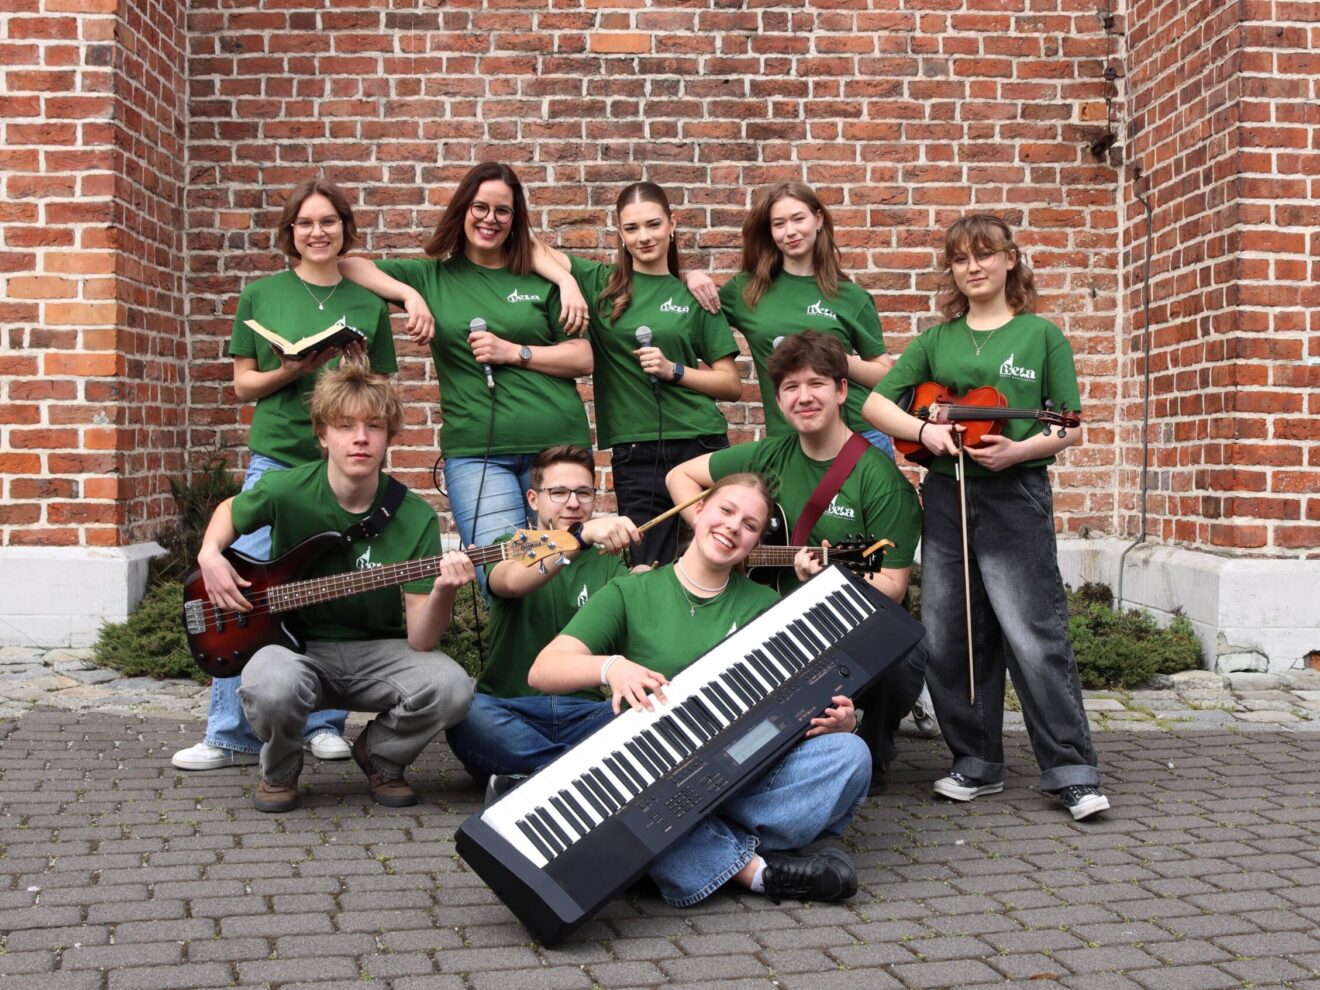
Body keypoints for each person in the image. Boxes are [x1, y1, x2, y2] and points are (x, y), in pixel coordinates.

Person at [862, 213, 1109, 821]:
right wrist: (924, 431)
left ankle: (1071, 770)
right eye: (960, 258)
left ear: (1009, 259)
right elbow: (874, 403)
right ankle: (975, 761)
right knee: (951, 635)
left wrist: (1017, 451)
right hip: (947, 495)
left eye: (984, 254)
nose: (973, 267)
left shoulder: (1041, 335)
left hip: (1015, 493)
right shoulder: (936, 340)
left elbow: (1067, 427)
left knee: (1033, 633)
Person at [528, 474, 870, 908]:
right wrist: (612, 667)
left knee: (849, 754)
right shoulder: (630, 591)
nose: (733, 527)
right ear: (699, 511)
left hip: (742, 765)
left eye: (749, 525)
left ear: (756, 542)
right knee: (633, 793)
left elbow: (799, 705)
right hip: (656, 769)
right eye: (726, 511)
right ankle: (757, 873)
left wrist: (842, 721)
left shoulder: (766, 606)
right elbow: (544, 670)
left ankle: (672, 845)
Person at [173, 177, 406, 773]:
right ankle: (229, 732)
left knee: (330, 586)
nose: (317, 232)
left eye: (328, 221)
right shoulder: (262, 294)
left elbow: (379, 393)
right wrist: (292, 370)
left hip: (342, 469)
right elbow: (243, 385)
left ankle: (324, 725)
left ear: (344, 229)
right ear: (291, 232)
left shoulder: (368, 302)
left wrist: (352, 376)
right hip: (277, 456)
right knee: (244, 588)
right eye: (306, 223)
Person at [194, 363, 476, 813]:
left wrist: (445, 589)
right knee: (270, 682)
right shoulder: (289, 490)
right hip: (295, 648)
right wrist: (210, 554)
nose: (360, 438)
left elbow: (422, 640)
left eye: (374, 426)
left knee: (452, 686)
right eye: (345, 426)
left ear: (389, 437)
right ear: (323, 435)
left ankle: (381, 756)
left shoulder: (415, 517)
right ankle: (280, 768)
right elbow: (231, 509)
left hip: (377, 652)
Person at [666, 332, 924, 796]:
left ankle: (872, 739)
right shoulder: (768, 455)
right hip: (766, 615)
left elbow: (892, 585)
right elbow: (679, 475)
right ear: (780, 399)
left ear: (841, 390)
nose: (804, 397)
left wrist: (829, 579)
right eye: (790, 387)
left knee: (904, 658)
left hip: (846, 625)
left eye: (816, 383)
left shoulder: (879, 480)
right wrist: (719, 538)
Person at [339, 162, 592, 570]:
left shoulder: (540, 278)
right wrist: (409, 295)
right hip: (479, 455)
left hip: (556, 446)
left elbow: (583, 357)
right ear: (463, 209)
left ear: (515, 219)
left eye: (503, 210)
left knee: (565, 571)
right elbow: (348, 266)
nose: (490, 219)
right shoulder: (431, 277)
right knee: (504, 572)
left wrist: (515, 351)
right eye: (480, 207)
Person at [533, 181, 742, 565]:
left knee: (716, 556)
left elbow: (730, 384)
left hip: (700, 442)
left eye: (653, 224)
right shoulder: (600, 283)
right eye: (632, 228)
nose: (643, 237)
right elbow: (527, 246)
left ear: (672, 225)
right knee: (647, 563)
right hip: (636, 451)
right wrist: (566, 281)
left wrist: (673, 370)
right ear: (620, 233)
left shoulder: (694, 295)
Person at [444, 444, 642, 785]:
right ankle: (579, 776)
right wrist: (578, 538)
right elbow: (512, 581)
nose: (573, 503)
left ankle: (534, 778)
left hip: (584, 714)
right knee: (465, 711)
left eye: (583, 492)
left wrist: (646, 583)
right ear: (534, 499)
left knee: (646, 715)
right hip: (509, 710)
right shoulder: (510, 544)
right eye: (559, 492)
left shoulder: (610, 565)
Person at [683, 181, 895, 456]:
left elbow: (885, 375)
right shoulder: (746, 290)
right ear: (770, 232)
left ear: (818, 220)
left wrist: (838, 358)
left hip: (857, 434)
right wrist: (691, 276)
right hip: (788, 441)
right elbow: (688, 317)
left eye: (798, 219)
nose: (790, 231)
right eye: (779, 224)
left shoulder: (852, 297)